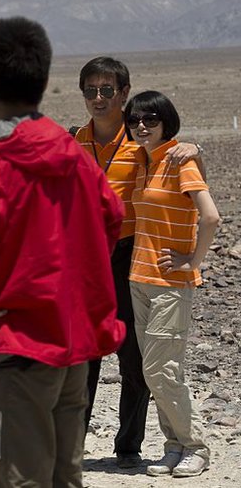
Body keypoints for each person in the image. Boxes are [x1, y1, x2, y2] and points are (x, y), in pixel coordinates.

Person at [0, 16, 126, 488]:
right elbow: (111, 217)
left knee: (13, 479)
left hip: (12, 357)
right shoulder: (74, 156)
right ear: (43, 84)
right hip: (71, 352)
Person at [75, 57, 204, 468]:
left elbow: (178, 165)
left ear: (124, 92)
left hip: (129, 256)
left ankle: (127, 447)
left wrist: (195, 147)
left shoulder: (141, 142)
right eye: (91, 90)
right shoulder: (76, 139)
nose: (99, 98)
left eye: (107, 90)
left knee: (134, 357)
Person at [123, 91, 220, 478]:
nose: (141, 126)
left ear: (166, 121)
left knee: (163, 370)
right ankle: (174, 445)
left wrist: (192, 262)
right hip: (139, 279)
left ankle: (196, 446)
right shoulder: (144, 161)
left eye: (150, 119)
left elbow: (210, 217)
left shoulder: (182, 159)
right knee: (154, 372)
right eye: (135, 121)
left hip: (170, 283)